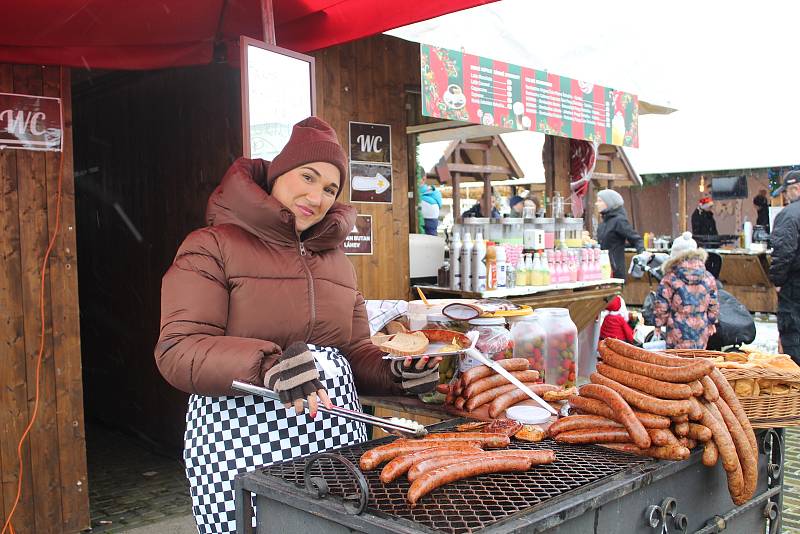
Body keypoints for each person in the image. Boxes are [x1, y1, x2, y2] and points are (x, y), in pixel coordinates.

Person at [154, 117, 440, 534]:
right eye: (308, 177)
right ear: (277, 174)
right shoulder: (211, 245)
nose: (317, 196)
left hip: (335, 440)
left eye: (330, 189)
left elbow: (354, 348)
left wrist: (395, 372)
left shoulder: (337, 261)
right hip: (241, 439)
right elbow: (179, 349)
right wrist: (266, 363)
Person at [653, 232, 719, 349]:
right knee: (697, 361)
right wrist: (712, 321)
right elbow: (713, 302)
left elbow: (662, 305)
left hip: (677, 332)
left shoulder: (670, 278)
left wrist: (658, 325)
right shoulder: (708, 277)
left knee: (677, 363)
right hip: (700, 331)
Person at [768, 170, 800, 363]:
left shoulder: (789, 215)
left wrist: (778, 280)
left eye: (786, 192)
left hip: (795, 285)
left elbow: (782, 252)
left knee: (794, 334)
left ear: (795, 189)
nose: (786, 196)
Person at [595, 189, 645, 280]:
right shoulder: (603, 223)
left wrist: (643, 256)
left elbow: (636, 239)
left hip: (615, 271)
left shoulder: (619, 221)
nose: (596, 204)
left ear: (609, 203)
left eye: (600, 201)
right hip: (602, 269)